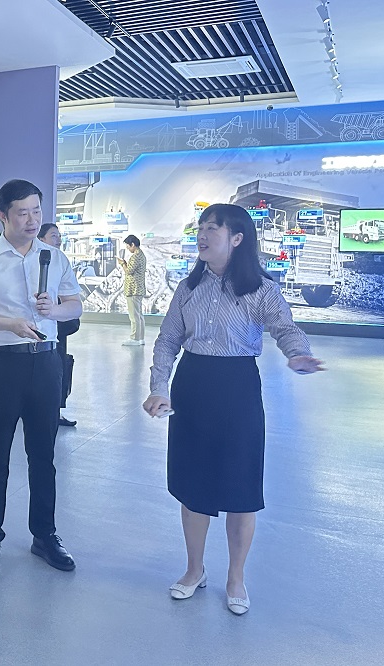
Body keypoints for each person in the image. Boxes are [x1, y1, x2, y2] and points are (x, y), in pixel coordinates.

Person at [143, 203, 324, 616]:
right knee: (194, 487)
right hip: (192, 387)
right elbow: (168, 340)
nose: (202, 235)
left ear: (237, 238)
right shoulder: (188, 288)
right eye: (201, 227)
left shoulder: (261, 289)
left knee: (241, 490)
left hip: (238, 389)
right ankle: (194, 570)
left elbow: (285, 327)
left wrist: (298, 354)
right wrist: (159, 389)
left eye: (213, 228)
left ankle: (236, 577)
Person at [0, 179, 82, 578]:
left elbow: (75, 305)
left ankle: (44, 535)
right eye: (22, 213)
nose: (31, 220)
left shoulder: (54, 258)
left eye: (36, 211)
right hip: (3, 364)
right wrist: (8, 323)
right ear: (3, 216)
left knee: (43, 455)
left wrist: (54, 310)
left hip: (46, 363)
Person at [38, 222, 80, 427]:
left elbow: (74, 304)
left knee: (60, 372)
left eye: (59, 236)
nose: (58, 240)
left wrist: (57, 311)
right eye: (53, 236)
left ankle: (55, 412)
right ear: (41, 239)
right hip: (41, 335)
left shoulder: (60, 261)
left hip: (59, 330)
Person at [118, 234, 146, 346]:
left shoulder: (136, 256)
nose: (127, 249)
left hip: (133, 290)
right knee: (139, 315)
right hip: (138, 289)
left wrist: (122, 264)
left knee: (134, 316)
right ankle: (140, 338)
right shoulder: (141, 255)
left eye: (128, 246)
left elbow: (129, 271)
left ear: (133, 244)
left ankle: (135, 338)